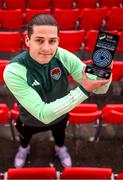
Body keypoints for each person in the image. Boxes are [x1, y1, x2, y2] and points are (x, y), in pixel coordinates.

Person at [4, 13, 112, 168]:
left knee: (60, 136)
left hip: (60, 115)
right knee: (24, 138)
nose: (47, 48)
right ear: (27, 40)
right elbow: (43, 114)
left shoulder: (63, 57)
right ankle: (24, 149)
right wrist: (83, 90)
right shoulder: (13, 70)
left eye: (52, 41)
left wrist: (105, 77)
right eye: (39, 40)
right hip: (28, 119)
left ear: (58, 42)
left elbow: (100, 90)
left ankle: (60, 148)